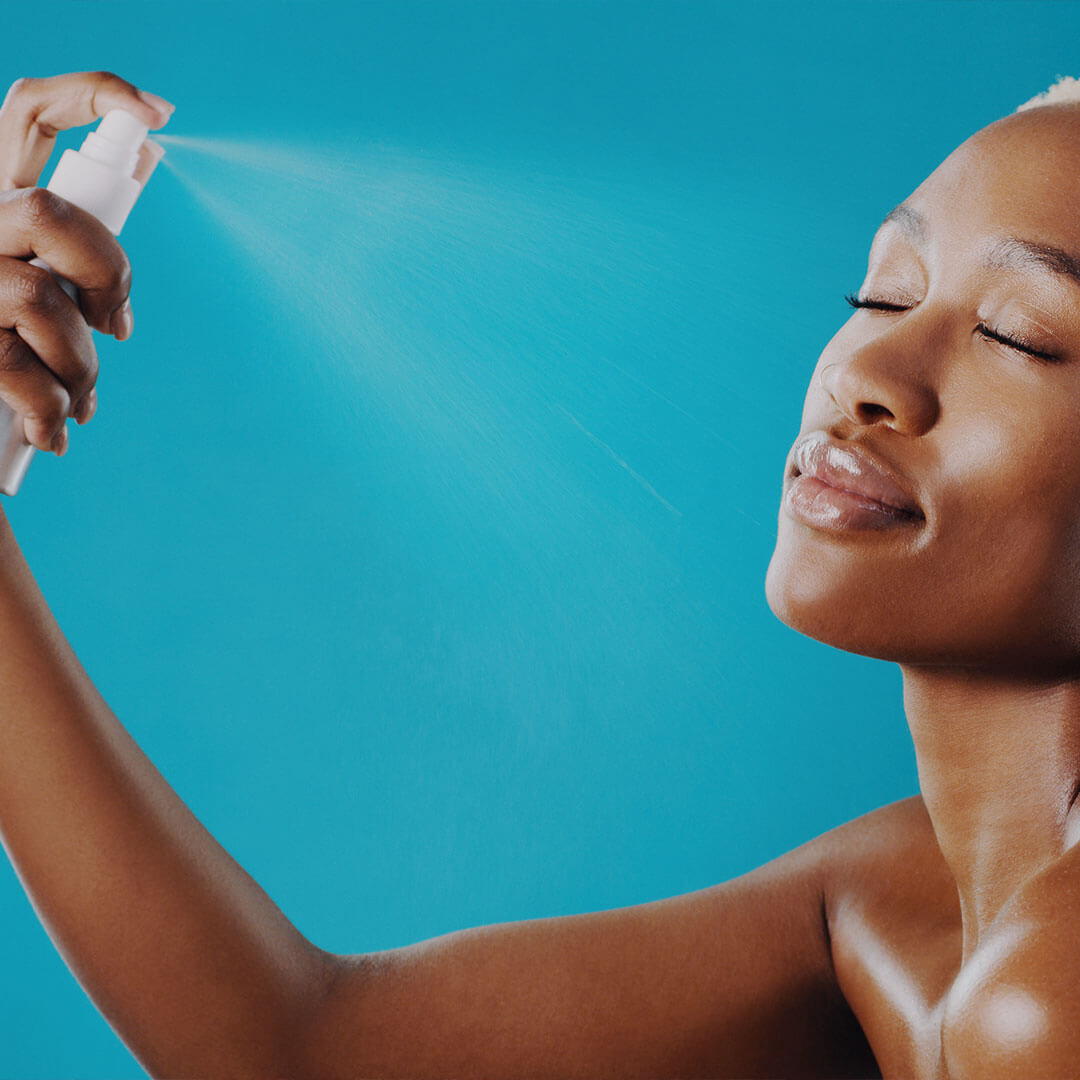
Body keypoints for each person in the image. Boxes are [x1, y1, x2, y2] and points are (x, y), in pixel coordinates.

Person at [1, 67, 1077, 1080]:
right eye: (884, 293)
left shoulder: (1047, 999)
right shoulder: (909, 892)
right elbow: (306, 1050)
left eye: (1016, 334)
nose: (868, 373)